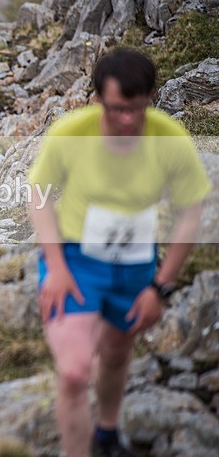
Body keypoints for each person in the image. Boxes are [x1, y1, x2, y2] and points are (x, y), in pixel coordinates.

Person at [27, 49, 211, 457]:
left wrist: (160, 287)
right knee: (74, 372)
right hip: (76, 262)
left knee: (115, 353)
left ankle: (107, 435)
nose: (127, 120)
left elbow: (190, 213)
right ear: (97, 101)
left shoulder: (169, 139)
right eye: (115, 109)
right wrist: (55, 266)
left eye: (137, 108)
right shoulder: (70, 133)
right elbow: (38, 196)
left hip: (134, 266)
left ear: (151, 97)